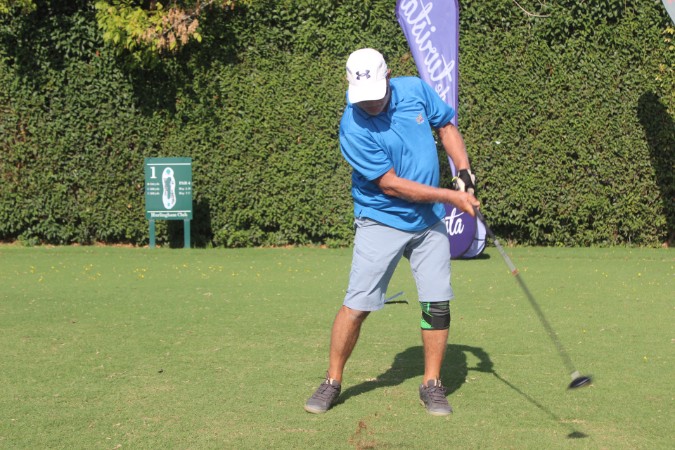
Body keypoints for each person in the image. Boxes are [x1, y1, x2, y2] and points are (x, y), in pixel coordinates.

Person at [304, 48, 479, 416]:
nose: (369, 104)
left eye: (375, 95)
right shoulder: (352, 127)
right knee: (358, 305)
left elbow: (446, 126)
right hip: (381, 219)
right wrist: (451, 196)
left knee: (436, 303)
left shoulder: (414, 90)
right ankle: (332, 381)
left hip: (428, 222)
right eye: (362, 97)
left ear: (387, 77)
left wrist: (463, 171)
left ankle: (432, 383)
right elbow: (392, 185)